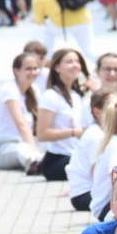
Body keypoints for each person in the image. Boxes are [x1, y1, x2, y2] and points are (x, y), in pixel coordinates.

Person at [35, 48, 91, 181]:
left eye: (77, 61)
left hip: (77, 154)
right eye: (69, 62)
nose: (75, 65)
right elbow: (42, 134)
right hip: (57, 159)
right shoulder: (51, 96)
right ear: (57, 67)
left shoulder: (77, 95)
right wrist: (73, 132)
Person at [0, 52, 43, 173]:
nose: (33, 72)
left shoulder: (34, 90)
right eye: (28, 69)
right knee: (23, 149)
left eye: (35, 69)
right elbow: (21, 124)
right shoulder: (9, 89)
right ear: (16, 71)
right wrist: (35, 151)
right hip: (3, 148)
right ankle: (37, 165)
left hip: (26, 142)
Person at [31, 0, 94, 66]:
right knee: (88, 49)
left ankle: (46, 60)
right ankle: (102, 63)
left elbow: (39, 21)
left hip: (61, 23)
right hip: (84, 18)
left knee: (47, 33)